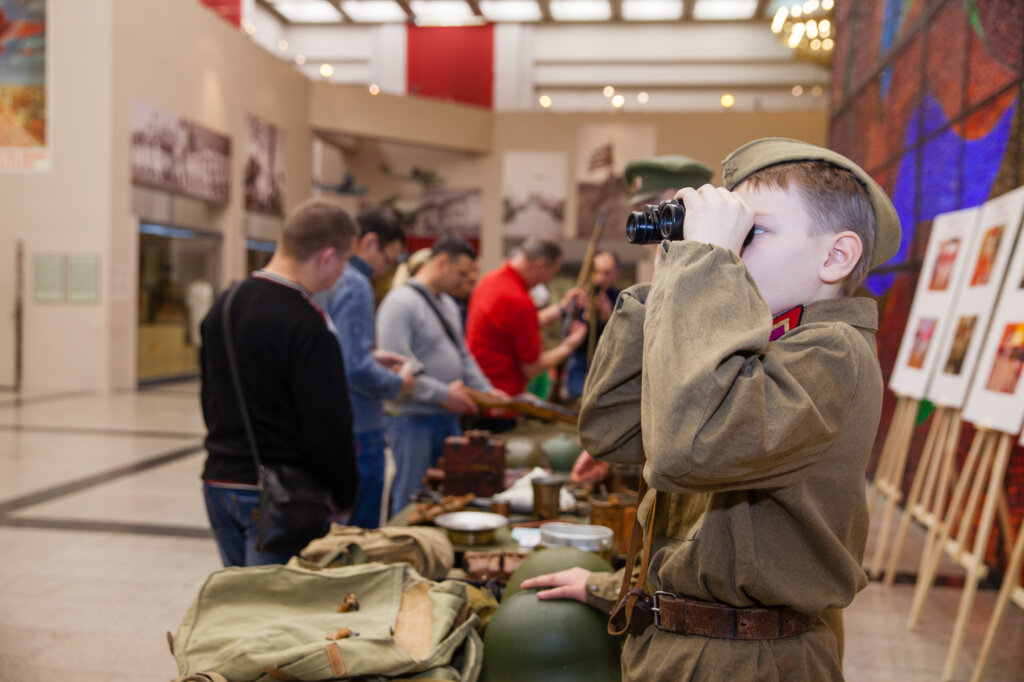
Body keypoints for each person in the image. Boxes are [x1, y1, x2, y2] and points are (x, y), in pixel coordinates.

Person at [521, 138, 902, 680]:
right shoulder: (754, 340)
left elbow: (683, 453)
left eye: (754, 231)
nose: (731, 247)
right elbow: (613, 430)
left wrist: (707, 266)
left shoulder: (832, 353)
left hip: (747, 660)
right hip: (681, 643)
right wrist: (672, 277)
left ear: (836, 256)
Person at [199, 198, 359, 567]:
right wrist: (345, 494)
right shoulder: (308, 324)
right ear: (326, 257)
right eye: (344, 263)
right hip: (280, 496)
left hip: (219, 481)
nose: (340, 275)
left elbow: (211, 397)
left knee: (243, 604)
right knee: (273, 615)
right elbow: (328, 428)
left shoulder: (224, 305)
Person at [377, 236, 500, 515]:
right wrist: (445, 395)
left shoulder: (447, 304)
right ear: (442, 263)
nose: (465, 281)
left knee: (447, 500)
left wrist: (487, 392)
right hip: (412, 421)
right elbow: (396, 370)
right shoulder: (400, 304)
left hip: (446, 419)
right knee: (412, 503)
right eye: (461, 274)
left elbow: (462, 354)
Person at [313, 207, 415, 529]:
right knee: (361, 534)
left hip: (330, 422)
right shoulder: (355, 283)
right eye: (389, 258)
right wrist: (400, 385)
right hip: (360, 427)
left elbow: (338, 354)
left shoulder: (323, 277)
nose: (386, 268)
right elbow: (353, 368)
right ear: (370, 242)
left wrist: (371, 358)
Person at [466, 237, 588, 398]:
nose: (550, 279)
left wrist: (562, 307)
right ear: (540, 265)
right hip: (499, 399)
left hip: (480, 389)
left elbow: (517, 325)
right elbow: (531, 368)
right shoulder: (518, 301)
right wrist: (568, 347)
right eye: (553, 272)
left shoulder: (489, 281)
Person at [564, 249, 622, 401]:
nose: (601, 278)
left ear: (616, 273)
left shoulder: (623, 299)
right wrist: (579, 316)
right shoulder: (579, 298)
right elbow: (564, 335)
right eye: (597, 272)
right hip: (580, 366)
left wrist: (609, 316)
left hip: (608, 366)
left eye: (607, 273)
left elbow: (626, 339)